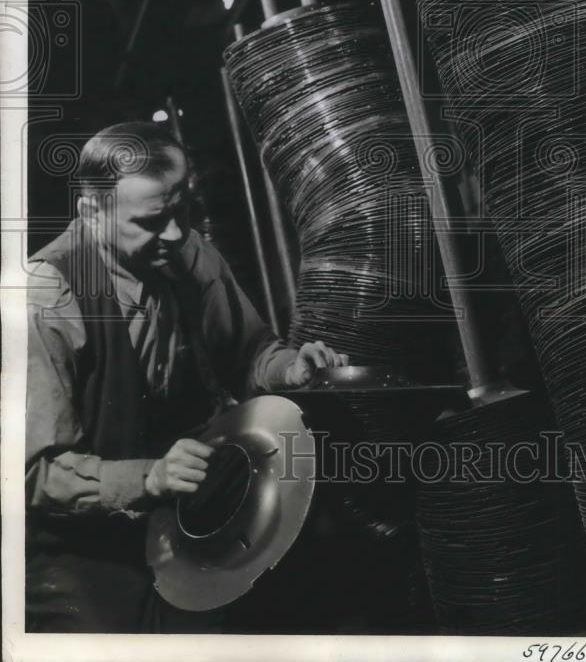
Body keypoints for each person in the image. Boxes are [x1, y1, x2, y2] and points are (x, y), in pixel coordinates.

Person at [25, 121, 348, 633]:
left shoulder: (189, 253)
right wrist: (148, 477)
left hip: (183, 526)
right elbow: (32, 474)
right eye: (153, 220)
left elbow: (248, 356)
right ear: (91, 213)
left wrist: (291, 368)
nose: (175, 234)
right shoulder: (45, 298)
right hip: (82, 554)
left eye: (183, 211)